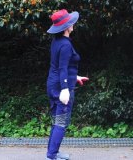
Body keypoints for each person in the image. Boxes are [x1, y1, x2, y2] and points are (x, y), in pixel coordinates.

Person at [45, 9, 89, 160]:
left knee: (58, 121)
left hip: (54, 83)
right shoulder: (65, 45)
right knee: (61, 122)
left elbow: (61, 66)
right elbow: (62, 68)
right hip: (60, 87)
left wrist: (75, 77)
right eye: (71, 22)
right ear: (66, 27)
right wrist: (65, 89)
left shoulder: (58, 42)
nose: (73, 24)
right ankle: (51, 156)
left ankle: (52, 153)